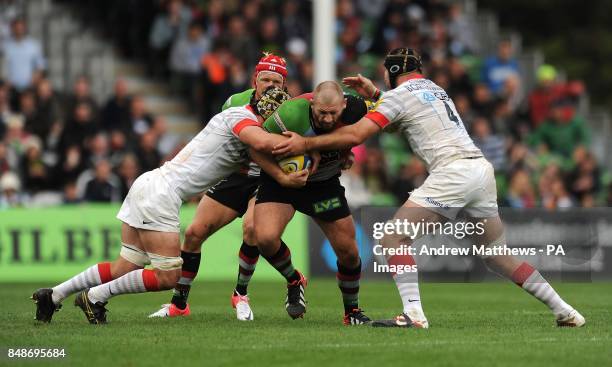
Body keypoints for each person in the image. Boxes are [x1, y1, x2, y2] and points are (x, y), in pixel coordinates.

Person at [274, 48, 585, 328]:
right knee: (495, 254)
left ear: (392, 72)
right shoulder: (436, 89)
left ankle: (413, 314)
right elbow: (401, 117)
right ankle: (565, 311)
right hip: (480, 169)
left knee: (392, 238)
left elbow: (356, 135)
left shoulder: (398, 95)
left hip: (453, 172)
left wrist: (306, 142)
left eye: (385, 72)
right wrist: (377, 94)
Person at [31, 86, 307, 324]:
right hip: (162, 193)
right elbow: (262, 141)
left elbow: (261, 156)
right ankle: (94, 297)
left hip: (150, 183)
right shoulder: (240, 118)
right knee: (168, 277)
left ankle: (53, 295)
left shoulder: (244, 123)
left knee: (125, 265)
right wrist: (304, 143)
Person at [149, 53, 293, 321]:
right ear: (255, 80)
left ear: (284, 85)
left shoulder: (291, 109)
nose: (271, 85)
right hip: (235, 176)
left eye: (277, 80)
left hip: (267, 177)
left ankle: (241, 294)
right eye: (266, 79)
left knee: (251, 228)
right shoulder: (234, 103)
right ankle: (179, 303)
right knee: (193, 233)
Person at [253, 82, 372, 325]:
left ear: (345, 105)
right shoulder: (289, 114)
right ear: (311, 104)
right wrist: (281, 177)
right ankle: (294, 279)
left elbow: (386, 120)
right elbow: (253, 147)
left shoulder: (358, 109)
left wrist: (344, 152)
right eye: (321, 113)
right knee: (264, 239)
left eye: (333, 113)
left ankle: (351, 312)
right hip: (282, 182)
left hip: (322, 185)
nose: (327, 119)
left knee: (349, 252)